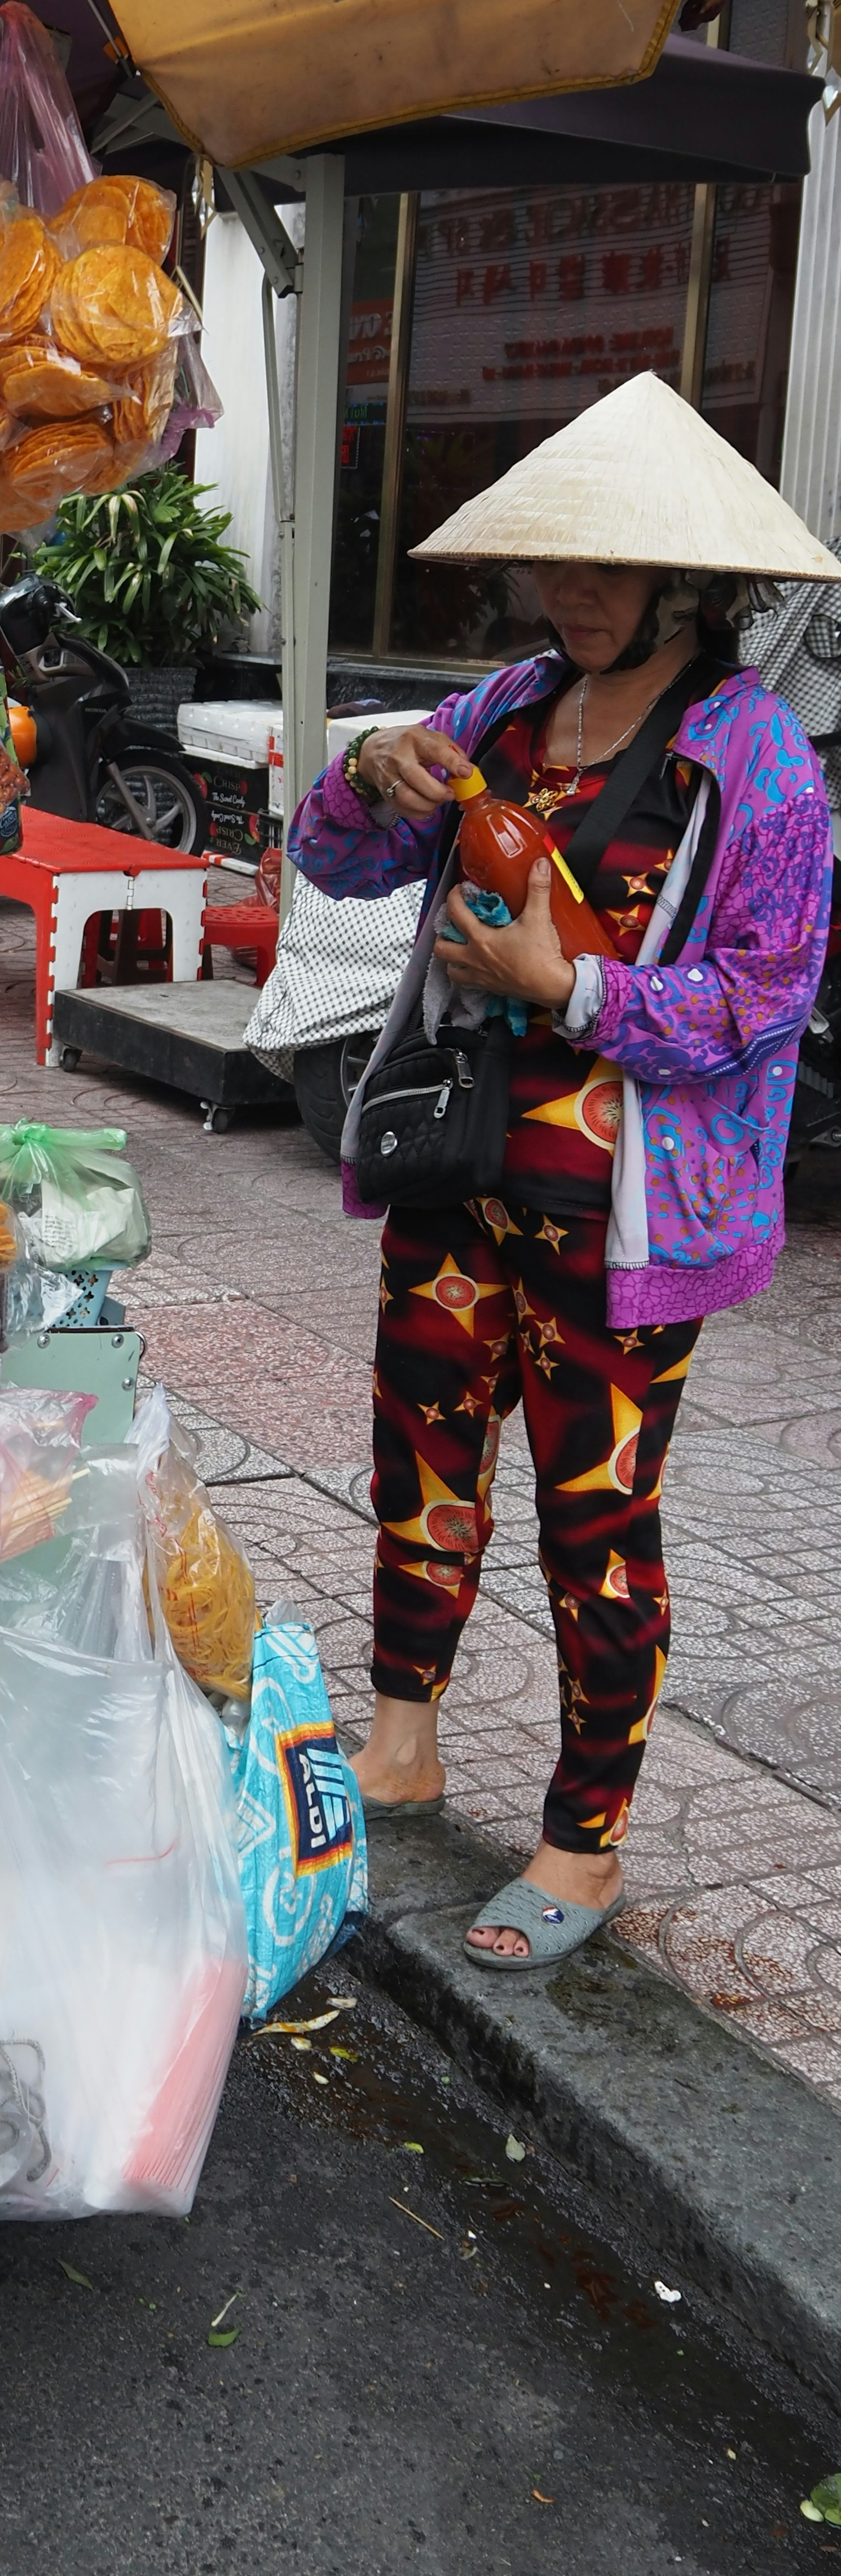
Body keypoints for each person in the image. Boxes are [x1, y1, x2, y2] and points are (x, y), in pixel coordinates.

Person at [286, 373, 836, 1973]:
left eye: (606, 569)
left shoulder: (756, 756)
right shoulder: (503, 712)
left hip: (628, 1222)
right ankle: (404, 1738)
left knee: (597, 1525)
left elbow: (764, 993)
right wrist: (363, 772)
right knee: (421, 1461)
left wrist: (571, 989)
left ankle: (583, 1844)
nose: (571, 596)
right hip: (459, 1175)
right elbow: (337, 867)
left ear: (688, 579)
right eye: (556, 565)